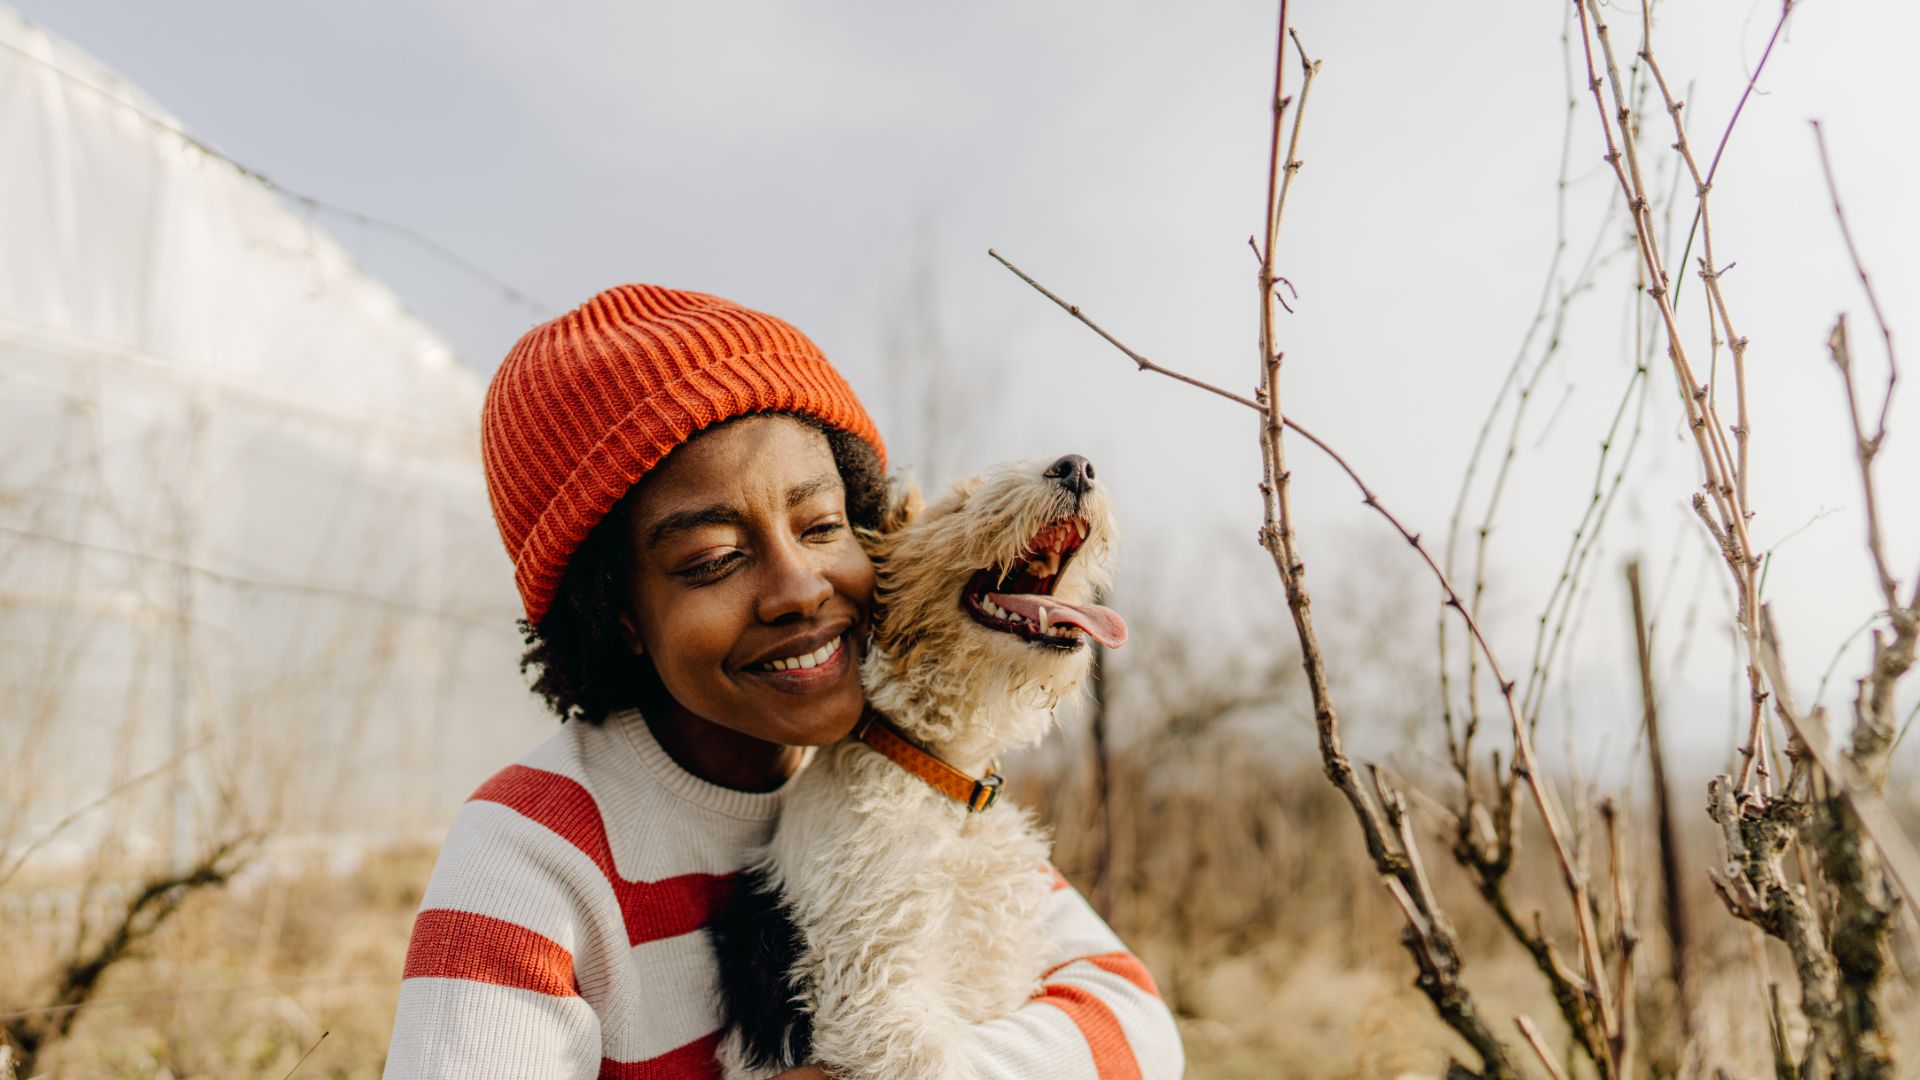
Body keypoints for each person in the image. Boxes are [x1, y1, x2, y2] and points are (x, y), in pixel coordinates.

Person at [383, 284, 1183, 1079]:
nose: (800, 587)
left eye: (823, 526)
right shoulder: (530, 851)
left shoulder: (903, 767)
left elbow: (1137, 1020)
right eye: (713, 560)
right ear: (614, 613)